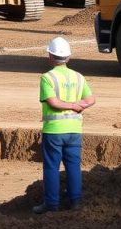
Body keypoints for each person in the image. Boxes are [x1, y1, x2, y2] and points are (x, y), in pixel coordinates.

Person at [33, 36, 96, 214]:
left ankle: (52, 204)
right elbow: (91, 99)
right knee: (73, 166)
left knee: (52, 167)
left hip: (54, 131)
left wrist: (71, 105)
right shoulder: (78, 77)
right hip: (74, 130)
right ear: (68, 57)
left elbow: (53, 102)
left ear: (50, 57)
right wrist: (79, 106)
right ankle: (75, 202)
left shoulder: (47, 78)